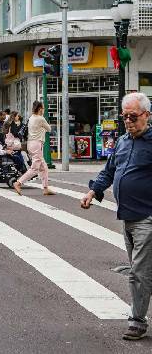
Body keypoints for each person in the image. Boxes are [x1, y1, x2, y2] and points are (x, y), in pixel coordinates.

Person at [81, 92, 152, 341]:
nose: (129, 121)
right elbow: (110, 170)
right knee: (141, 269)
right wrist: (93, 191)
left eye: (133, 116)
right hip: (128, 217)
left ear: (147, 115)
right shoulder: (122, 142)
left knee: (139, 273)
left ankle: (137, 322)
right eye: (125, 117)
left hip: (148, 217)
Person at [14, 101, 54, 196]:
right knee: (35, 168)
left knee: (43, 167)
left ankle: (45, 188)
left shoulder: (31, 118)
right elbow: (49, 129)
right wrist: (44, 128)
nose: (43, 110)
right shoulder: (40, 118)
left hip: (30, 143)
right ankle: (18, 183)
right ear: (40, 109)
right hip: (37, 144)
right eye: (43, 108)